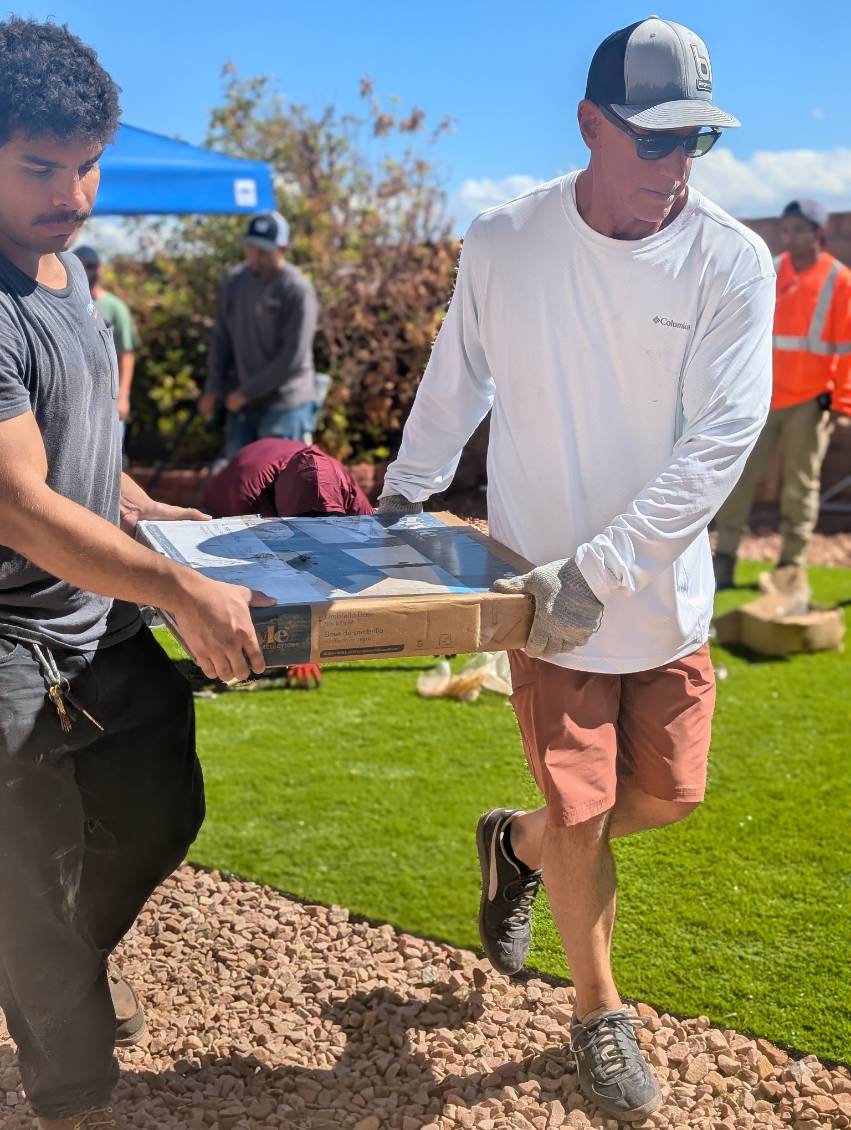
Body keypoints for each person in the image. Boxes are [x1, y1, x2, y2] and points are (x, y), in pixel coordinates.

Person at [379, 16, 774, 1124]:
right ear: (590, 124)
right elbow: (457, 376)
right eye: (654, 139)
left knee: (668, 796)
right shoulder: (505, 240)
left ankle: (512, 844)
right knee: (588, 813)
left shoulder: (730, 261)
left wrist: (600, 568)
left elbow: (719, 442)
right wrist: (405, 494)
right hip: (538, 594)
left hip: (655, 597)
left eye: (695, 140)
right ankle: (599, 1015)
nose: (676, 165)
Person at [0, 18, 274, 1130]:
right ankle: (71, 1091)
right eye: (40, 167)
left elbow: (79, 452)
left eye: (87, 165)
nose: (71, 194)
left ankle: (57, 968)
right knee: (28, 879)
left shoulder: (66, 272)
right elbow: (19, 504)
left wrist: (154, 515)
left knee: (161, 808)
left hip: (96, 619)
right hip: (9, 638)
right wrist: (176, 588)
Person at [713, 198, 851, 589]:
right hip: (762, 398)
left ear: (819, 234)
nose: (790, 237)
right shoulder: (770, 271)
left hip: (810, 402)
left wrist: (842, 404)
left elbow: (847, 350)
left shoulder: (839, 281)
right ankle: (724, 559)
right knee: (739, 479)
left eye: (799, 230)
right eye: (786, 230)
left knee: (800, 486)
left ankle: (790, 568)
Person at [199, 211, 320, 458]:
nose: (254, 256)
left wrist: (246, 393)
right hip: (244, 404)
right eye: (250, 247)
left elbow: (292, 357)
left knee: (278, 475)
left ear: (282, 249)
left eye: (263, 251)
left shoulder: (297, 290)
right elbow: (221, 339)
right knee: (239, 474)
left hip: (286, 403)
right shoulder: (234, 282)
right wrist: (214, 387)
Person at [201, 437, 374, 519]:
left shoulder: (345, 484)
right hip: (226, 493)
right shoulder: (248, 494)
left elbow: (369, 528)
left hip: (270, 455)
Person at [73, 244, 140, 445]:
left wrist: (123, 397)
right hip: (74, 402)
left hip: (106, 403)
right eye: (81, 266)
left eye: (91, 266)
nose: (86, 271)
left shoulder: (114, 308)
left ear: (100, 267)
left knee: (109, 456)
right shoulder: (65, 304)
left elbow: (126, 353)